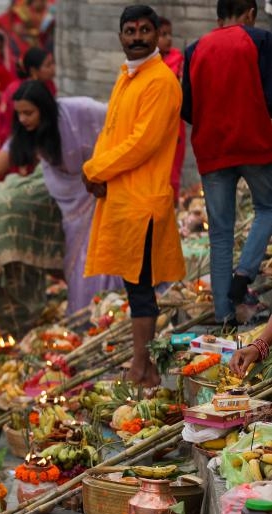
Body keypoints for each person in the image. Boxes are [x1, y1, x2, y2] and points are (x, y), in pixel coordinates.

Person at [0, 81, 123, 317]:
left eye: (28, 113)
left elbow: (119, 115)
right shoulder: (26, 133)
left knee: (105, 257)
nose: (23, 119)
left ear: (44, 109)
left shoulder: (80, 109)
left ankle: (116, 312)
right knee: (78, 265)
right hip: (71, 202)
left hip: (105, 189)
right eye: (19, 113)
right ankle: (91, 318)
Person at [83, 4, 185, 386]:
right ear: (121, 36)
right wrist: (96, 168)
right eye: (130, 31)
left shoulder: (160, 81)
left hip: (142, 202)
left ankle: (143, 369)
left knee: (142, 290)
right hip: (122, 199)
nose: (138, 37)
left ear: (159, 35)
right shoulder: (128, 75)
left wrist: (94, 169)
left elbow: (141, 144)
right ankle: (143, 366)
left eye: (145, 30)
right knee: (135, 287)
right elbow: (112, 133)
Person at [182, 0, 272, 325]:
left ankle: (224, 315)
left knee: (219, 233)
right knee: (268, 208)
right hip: (255, 145)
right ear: (251, 13)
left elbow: (187, 108)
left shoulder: (195, 49)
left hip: (212, 150)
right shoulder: (260, 40)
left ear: (218, 18)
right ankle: (244, 274)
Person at [0, 46, 57, 160]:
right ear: (34, 71)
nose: (53, 68)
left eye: (53, 63)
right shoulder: (18, 91)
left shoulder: (50, 86)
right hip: (10, 140)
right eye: (48, 65)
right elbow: (12, 124)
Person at [158, 16, 187, 200]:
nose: (168, 38)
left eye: (169, 34)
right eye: (163, 34)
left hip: (174, 126)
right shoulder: (147, 63)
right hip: (155, 124)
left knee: (173, 167)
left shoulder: (178, 60)